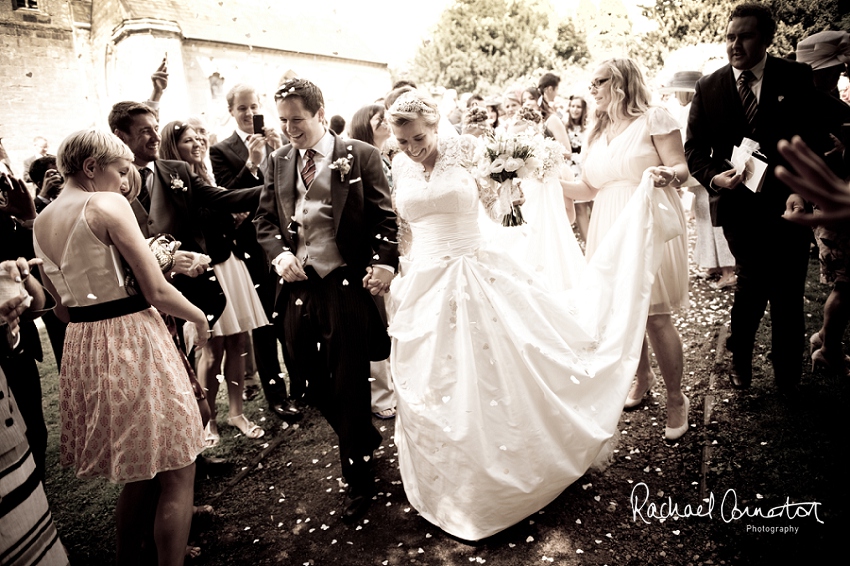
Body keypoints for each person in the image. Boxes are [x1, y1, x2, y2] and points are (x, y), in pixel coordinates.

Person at [385, 89, 675, 541]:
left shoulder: (467, 150)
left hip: (474, 270)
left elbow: (501, 205)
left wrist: (514, 190)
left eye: (418, 137)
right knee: (436, 383)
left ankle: (512, 471)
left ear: (435, 122)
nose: (411, 148)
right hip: (425, 283)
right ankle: (457, 487)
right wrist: (402, 276)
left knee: (493, 374)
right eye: (403, 142)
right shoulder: (399, 165)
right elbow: (405, 227)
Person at [32, 129, 209, 565]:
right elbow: (156, 290)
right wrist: (200, 319)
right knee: (178, 466)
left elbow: (61, 310)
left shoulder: (41, 220)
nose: (125, 181)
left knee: (142, 467)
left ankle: (129, 558)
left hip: (84, 343)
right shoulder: (106, 204)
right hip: (132, 337)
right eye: (120, 169)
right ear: (91, 168)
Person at [254, 78, 398, 524]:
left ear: (319, 112)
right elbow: (264, 219)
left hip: (345, 284)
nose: (290, 129)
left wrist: (384, 262)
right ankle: (363, 438)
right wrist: (279, 255)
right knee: (309, 379)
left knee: (350, 382)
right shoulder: (277, 161)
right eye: (283, 121)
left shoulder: (361, 155)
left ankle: (358, 479)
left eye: (297, 119)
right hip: (297, 286)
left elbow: (384, 218)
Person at [685, 2, 841, 391]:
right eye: (730, 36)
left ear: (767, 38)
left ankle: (788, 375)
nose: (735, 44)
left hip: (789, 205)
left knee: (788, 290)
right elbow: (693, 150)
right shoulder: (709, 86)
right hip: (739, 208)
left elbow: (813, 139)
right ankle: (740, 359)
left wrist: (799, 194)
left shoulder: (795, 77)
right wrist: (714, 179)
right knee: (752, 286)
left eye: (746, 35)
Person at [561, 59, 691, 439]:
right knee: (621, 313)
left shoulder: (655, 119)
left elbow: (681, 167)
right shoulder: (596, 131)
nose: (592, 88)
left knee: (654, 314)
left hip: (647, 219)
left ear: (621, 82)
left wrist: (669, 174)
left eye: (599, 81)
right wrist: (544, 179)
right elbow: (588, 188)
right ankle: (642, 377)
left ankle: (675, 397)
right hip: (607, 224)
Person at [160, 121, 270, 443]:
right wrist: (273, 189)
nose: (197, 143)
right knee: (211, 349)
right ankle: (209, 419)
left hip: (231, 263)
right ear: (172, 147)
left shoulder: (204, 176)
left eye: (200, 137)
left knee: (238, 342)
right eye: (187, 140)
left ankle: (236, 412)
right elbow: (212, 212)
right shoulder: (171, 185)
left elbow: (228, 205)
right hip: (204, 269)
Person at [208, 85, 301, 422]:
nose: (249, 114)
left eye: (254, 107)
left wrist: (282, 151)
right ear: (231, 111)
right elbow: (227, 197)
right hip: (250, 247)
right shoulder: (221, 150)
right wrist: (253, 163)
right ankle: (276, 396)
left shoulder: (280, 141)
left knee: (294, 317)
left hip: (287, 241)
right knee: (264, 326)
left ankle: (302, 387)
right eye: (242, 108)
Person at [1, 258, 69, 566]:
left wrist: (24, 281)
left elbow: (39, 304)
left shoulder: (4, 225)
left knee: (35, 437)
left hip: (16, 359)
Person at [349, 103, 398, 419]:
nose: (384, 120)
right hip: (372, 250)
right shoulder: (360, 159)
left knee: (393, 318)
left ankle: (396, 383)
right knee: (377, 323)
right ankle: (381, 396)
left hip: (396, 246)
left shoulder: (391, 156)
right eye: (377, 117)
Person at [566, 95, 592, 242]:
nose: (575, 110)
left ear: (583, 109)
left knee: (595, 206)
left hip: (587, 168)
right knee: (580, 209)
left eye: (578, 107)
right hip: (573, 172)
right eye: (572, 106)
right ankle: (589, 245)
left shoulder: (589, 128)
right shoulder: (564, 128)